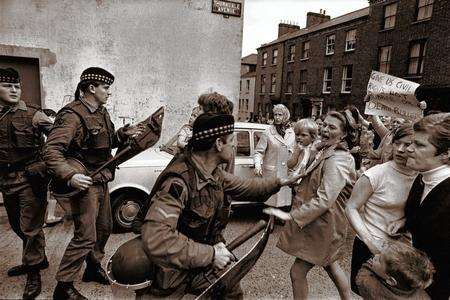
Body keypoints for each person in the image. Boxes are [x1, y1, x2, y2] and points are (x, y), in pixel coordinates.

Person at [137, 113, 303, 299]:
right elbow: (157, 238)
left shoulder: (212, 173)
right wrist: (211, 254)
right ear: (218, 144)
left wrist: (280, 181)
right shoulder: (178, 182)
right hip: (172, 272)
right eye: (231, 140)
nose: (234, 145)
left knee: (230, 290)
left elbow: (246, 186)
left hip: (197, 262)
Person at [44, 67, 142, 300]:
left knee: (104, 228)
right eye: (106, 88)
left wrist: (122, 135)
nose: (109, 93)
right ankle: (63, 286)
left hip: (100, 180)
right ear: (91, 88)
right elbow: (51, 150)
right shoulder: (71, 115)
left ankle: (92, 267)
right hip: (84, 183)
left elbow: (102, 144)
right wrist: (70, 175)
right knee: (85, 235)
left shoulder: (101, 112)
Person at [265, 111, 357, 300]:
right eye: (324, 124)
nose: (324, 129)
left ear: (344, 134)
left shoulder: (338, 158)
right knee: (331, 265)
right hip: (323, 224)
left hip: (325, 225)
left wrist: (292, 216)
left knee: (297, 273)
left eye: (332, 127)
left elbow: (325, 198)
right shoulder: (326, 151)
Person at [0, 68, 53, 299]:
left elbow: (59, 138)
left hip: (30, 179)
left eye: (17, 86)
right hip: (6, 180)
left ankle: (33, 272)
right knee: (17, 226)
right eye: (7, 86)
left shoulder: (34, 114)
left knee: (31, 228)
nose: (14, 90)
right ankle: (38, 259)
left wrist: (45, 164)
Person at [345, 124, 417, 294]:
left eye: (407, 145)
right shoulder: (376, 174)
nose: (400, 150)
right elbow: (351, 207)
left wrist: (404, 221)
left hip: (404, 252)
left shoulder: (422, 177)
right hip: (372, 246)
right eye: (397, 143)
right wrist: (370, 242)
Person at [404, 113, 450, 299]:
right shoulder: (422, 178)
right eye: (412, 142)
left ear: (446, 154)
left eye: (419, 145)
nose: (408, 149)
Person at [356, 241, 434, 300]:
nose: (375, 256)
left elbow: (361, 278)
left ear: (391, 280)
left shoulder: (369, 286)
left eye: (379, 260)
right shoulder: (419, 291)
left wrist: (369, 266)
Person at [254, 104, 295, 208]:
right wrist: (257, 165)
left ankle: (276, 221)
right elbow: (258, 152)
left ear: (285, 116)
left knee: (283, 204)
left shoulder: (292, 133)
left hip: (286, 173)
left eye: (280, 115)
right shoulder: (268, 132)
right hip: (272, 173)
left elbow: (295, 152)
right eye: (275, 114)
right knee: (271, 202)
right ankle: (269, 222)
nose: (277, 117)